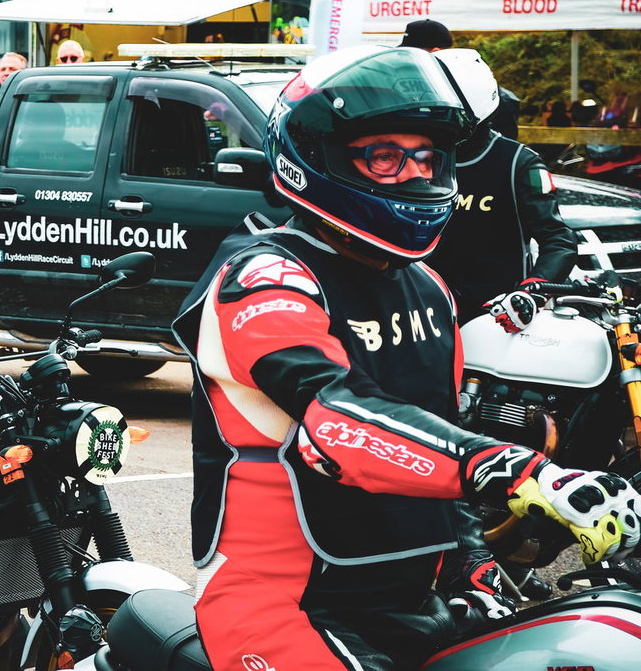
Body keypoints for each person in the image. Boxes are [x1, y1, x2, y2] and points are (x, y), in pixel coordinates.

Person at [171, 45, 640, 671]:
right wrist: (527, 474)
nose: (416, 176)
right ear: (322, 158)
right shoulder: (262, 276)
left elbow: (434, 445)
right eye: (386, 157)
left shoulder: (430, 289)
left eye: (428, 157)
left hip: (413, 597)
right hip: (286, 604)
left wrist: (472, 565)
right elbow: (338, 420)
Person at [427, 48, 576, 327]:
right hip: (424, 310)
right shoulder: (416, 157)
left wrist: (532, 291)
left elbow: (558, 241)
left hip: (496, 318)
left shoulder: (519, 162)